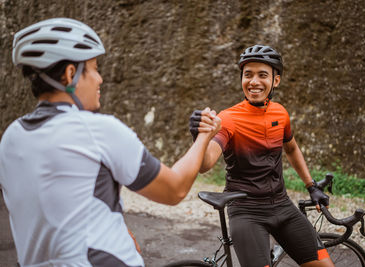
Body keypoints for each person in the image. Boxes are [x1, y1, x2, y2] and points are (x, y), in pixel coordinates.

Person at [0, 18, 220, 267]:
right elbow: (175, 189)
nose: (100, 79)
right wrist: (204, 136)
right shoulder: (97, 129)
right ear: (70, 74)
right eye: (93, 69)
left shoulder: (12, 137)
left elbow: (58, 204)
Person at [189, 45, 334, 267]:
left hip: (282, 205)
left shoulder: (280, 113)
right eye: (248, 75)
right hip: (246, 210)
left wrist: (311, 186)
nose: (254, 81)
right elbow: (206, 164)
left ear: (276, 81)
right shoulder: (229, 119)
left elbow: (292, 149)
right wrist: (199, 136)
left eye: (262, 75)